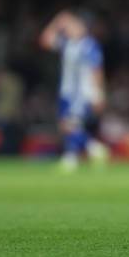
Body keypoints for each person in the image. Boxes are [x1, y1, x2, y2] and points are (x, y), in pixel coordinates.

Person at [40, 10, 108, 172]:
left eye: (74, 25)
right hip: (67, 92)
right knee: (67, 125)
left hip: (82, 93)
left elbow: (96, 70)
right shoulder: (67, 43)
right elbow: (44, 40)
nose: (70, 28)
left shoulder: (89, 45)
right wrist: (58, 21)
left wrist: (98, 94)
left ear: (83, 27)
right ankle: (83, 152)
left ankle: (85, 152)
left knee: (70, 124)